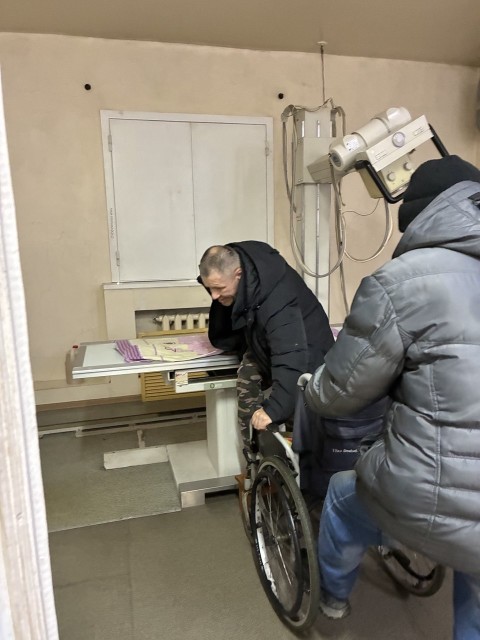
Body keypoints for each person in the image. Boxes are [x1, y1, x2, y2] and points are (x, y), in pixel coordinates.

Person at [300, 155, 480, 638]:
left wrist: (309, 388)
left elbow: (339, 392)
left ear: (416, 215)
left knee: (342, 498)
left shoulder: (402, 281)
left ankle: (333, 600)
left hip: (432, 495)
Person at [197, 241, 334, 446]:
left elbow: (290, 355)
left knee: (294, 414)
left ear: (238, 274)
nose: (214, 296)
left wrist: (274, 409)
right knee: (247, 376)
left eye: (219, 288)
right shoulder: (244, 273)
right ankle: (254, 453)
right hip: (269, 343)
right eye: (210, 288)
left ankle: (292, 459)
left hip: (306, 350)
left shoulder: (277, 297)